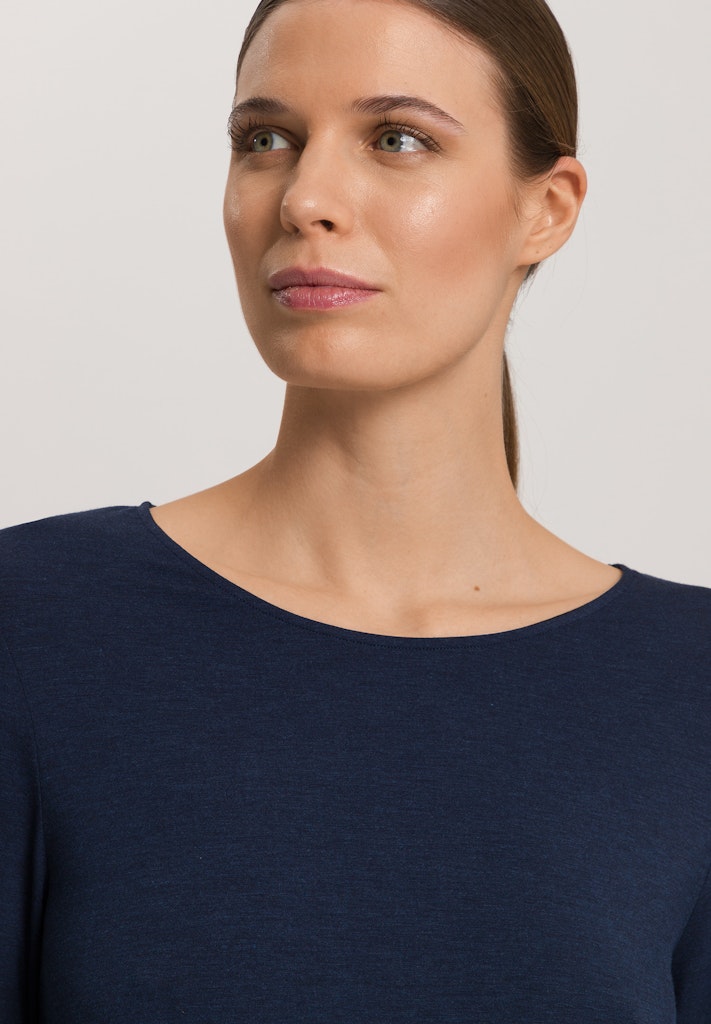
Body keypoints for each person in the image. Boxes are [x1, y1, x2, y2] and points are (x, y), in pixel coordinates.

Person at [1, 0, 709, 1020]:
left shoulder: (688, 688)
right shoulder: (34, 626)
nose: (306, 199)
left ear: (546, 209)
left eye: (397, 138)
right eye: (266, 140)